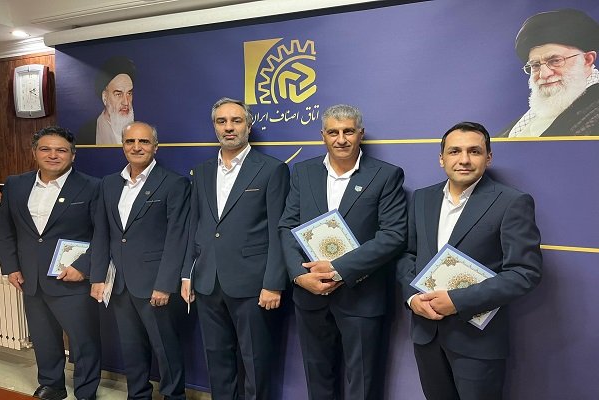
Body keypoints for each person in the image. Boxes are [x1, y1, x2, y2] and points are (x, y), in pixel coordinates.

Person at [397, 122, 543, 399]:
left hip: (478, 342)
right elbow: (407, 255)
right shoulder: (423, 198)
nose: (464, 159)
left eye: (474, 151)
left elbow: (525, 272)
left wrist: (457, 301)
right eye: (454, 151)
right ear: (441, 159)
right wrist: (412, 297)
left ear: (488, 157)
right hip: (427, 335)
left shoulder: (512, 202)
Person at [278, 104, 407, 400]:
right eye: (333, 132)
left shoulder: (386, 175)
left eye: (348, 131)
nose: (341, 139)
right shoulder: (303, 172)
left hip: (361, 297)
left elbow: (393, 235)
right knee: (318, 380)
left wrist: (338, 269)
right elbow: (287, 226)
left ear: (360, 134)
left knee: (363, 384)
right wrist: (298, 275)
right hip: (310, 295)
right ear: (322, 135)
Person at [180, 98, 290, 400]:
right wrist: (187, 274)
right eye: (222, 121)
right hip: (208, 282)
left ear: (249, 126)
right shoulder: (201, 171)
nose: (229, 127)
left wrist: (273, 282)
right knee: (217, 359)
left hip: (253, 285)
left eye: (236, 121)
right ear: (214, 127)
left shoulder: (272, 170)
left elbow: (279, 230)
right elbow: (195, 226)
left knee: (256, 362)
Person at [0, 126, 101, 400]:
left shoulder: (92, 186)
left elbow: (102, 234)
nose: (53, 155)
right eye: (45, 149)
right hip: (30, 278)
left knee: (84, 340)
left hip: (72, 279)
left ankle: (86, 391)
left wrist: (84, 268)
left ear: (73, 155)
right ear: (34, 152)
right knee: (43, 338)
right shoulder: (15, 184)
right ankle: (52, 385)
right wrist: (10, 267)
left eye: (61, 150)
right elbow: (5, 229)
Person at [89, 121, 189, 400]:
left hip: (155, 285)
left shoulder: (174, 183)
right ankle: (138, 395)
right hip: (120, 285)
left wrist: (165, 284)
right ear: (123, 146)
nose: (136, 147)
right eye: (130, 142)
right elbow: (102, 233)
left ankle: (174, 397)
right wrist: (98, 277)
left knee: (166, 349)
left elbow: (177, 237)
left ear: (155, 147)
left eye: (143, 142)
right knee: (131, 348)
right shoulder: (109, 183)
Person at [497, 8, 599, 137]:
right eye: (535, 65)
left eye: (555, 61)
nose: (544, 74)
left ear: (587, 60)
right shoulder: (525, 121)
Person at [77, 56, 135, 145]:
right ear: (105, 97)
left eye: (129, 93)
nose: (126, 102)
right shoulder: (88, 133)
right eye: (118, 94)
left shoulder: (141, 129)